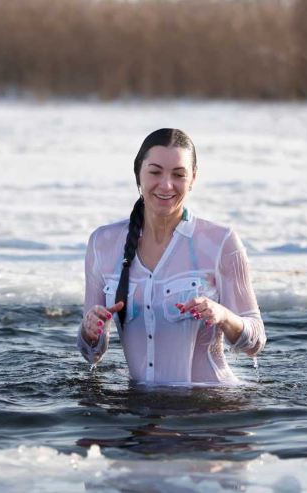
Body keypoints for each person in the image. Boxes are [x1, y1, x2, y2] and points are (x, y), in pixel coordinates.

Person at [77, 128, 265, 385]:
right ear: (138, 174)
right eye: (155, 172)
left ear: (193, 179)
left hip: (211, 407)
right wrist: (90, 332)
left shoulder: (221, 242)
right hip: (140, 409)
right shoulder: (103, 243)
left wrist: (223, 316)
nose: (166, 185)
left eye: (178, 175)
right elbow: (91, 354)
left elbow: (255, 342)